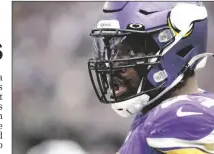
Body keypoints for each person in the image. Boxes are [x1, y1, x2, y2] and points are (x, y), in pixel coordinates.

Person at [87, 1, 214, 154]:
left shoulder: (179, 116)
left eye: (131, 52)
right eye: (113, 51)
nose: (113, 65)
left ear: (175, 47)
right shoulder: (151, 116)